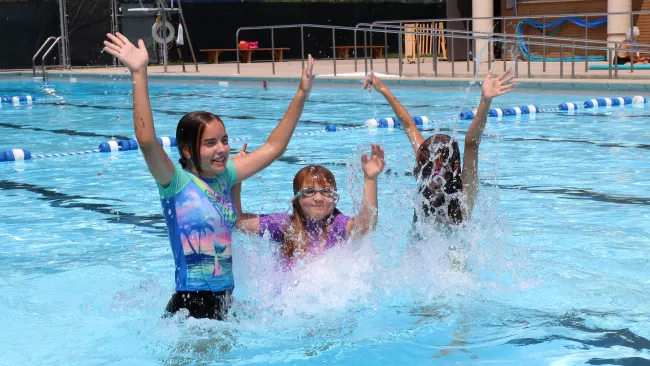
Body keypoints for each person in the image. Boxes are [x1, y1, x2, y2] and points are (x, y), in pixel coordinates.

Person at [102, 33, 315, 320]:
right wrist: (139, 73)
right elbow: (147, 141)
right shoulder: (175, 182)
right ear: (188, 150)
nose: (222, 150)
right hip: (191, 306)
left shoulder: (225, 175)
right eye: (211, 143)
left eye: (224, 141)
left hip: (226, 299)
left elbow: (274, 148)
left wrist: (301, 93)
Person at [363, 70, 515, 225]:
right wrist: (382, 88)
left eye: (437, 166)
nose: (433, 174)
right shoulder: (425, 174)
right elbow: (408, 125)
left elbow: (472, 143)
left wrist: (485, 101)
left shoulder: (464, 194)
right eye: (427, 166)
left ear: (453, 169)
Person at [234, 144, 386, 269]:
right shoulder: (285, 226)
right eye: (309, 192)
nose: (318, 198)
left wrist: (370, 179)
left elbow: (366, 225)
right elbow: (238, 221)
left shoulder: (337, 226)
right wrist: (237, 175)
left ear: (335, 198)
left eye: (326, 191)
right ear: (296, 199)